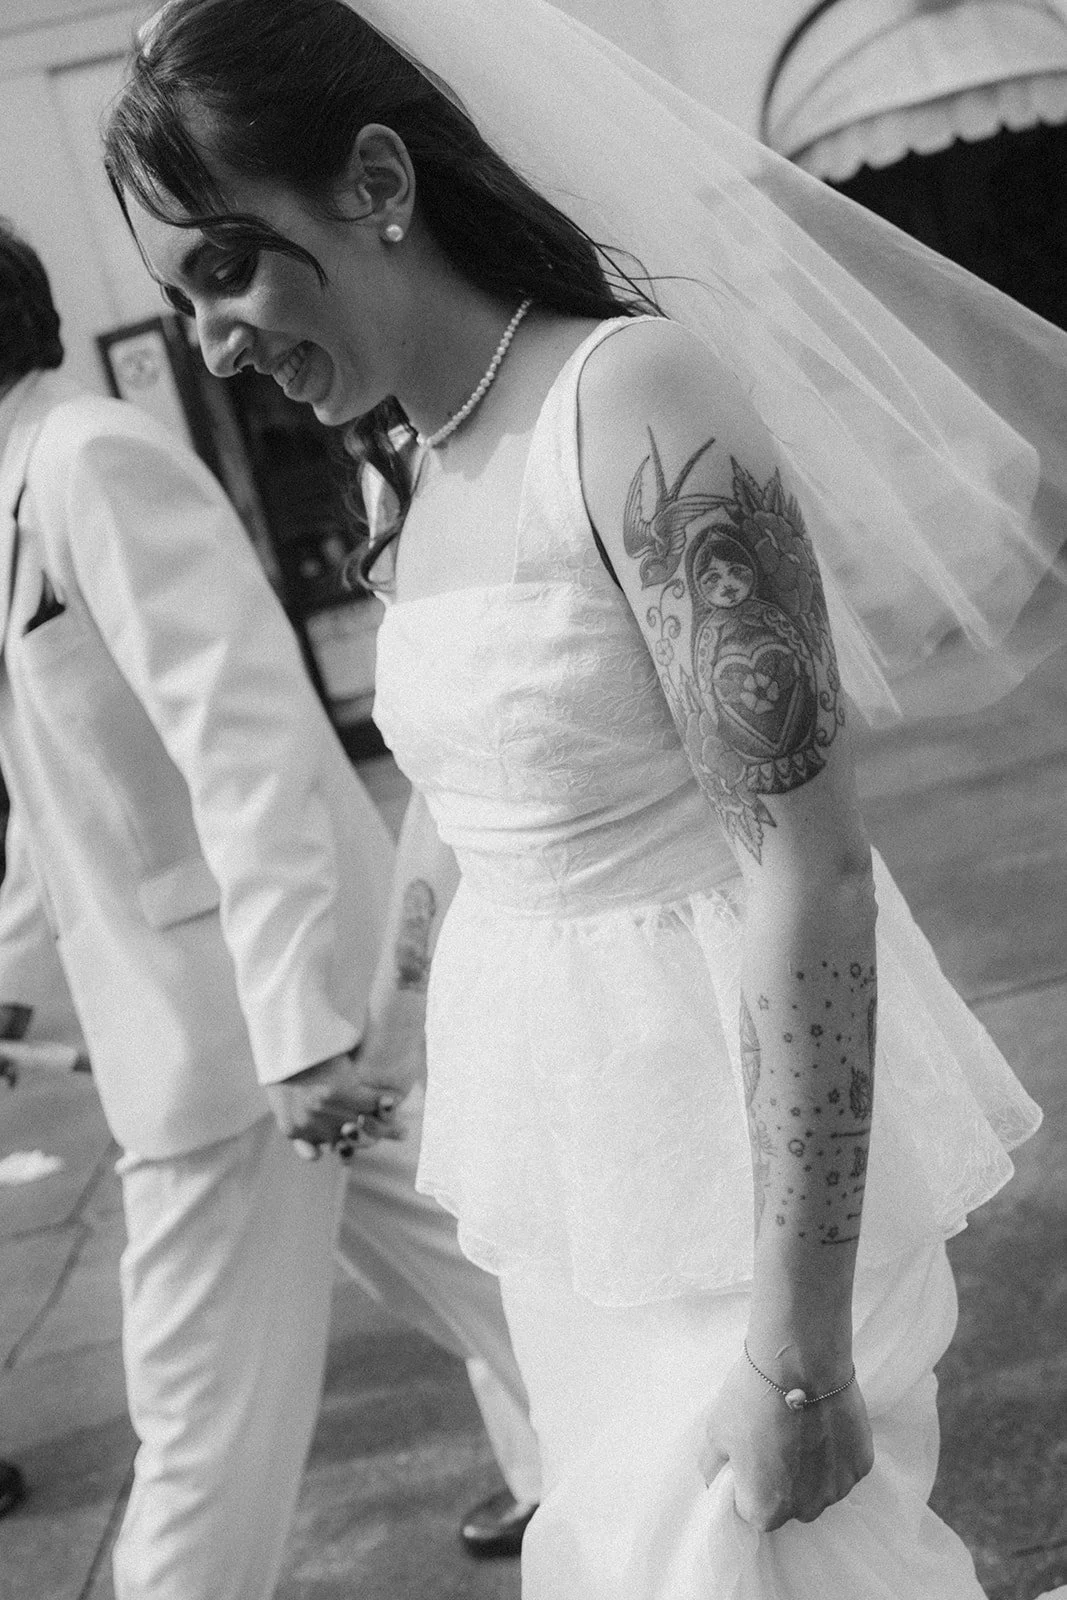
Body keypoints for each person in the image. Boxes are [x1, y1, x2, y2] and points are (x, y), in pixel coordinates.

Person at [102, 2, 1066, 1596]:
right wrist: (384, 1017)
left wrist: (799, 1345)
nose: (210, 339)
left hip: (742, 1174)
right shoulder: (403, 457)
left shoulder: (631, 402)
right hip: (578, 1168)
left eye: (226, 265)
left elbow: (807, 869)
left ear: (375, 180)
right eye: (179, 297)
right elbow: (460, 787)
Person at [0, 219, 539, 1599]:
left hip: (239, 1041)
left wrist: (298, 1030)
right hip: (211, 1024)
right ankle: (657, 1459)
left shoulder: (88, 462)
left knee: (189, 1429)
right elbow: (58, 808)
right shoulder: (14, 488)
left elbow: (247, 744)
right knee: (508, 1286)